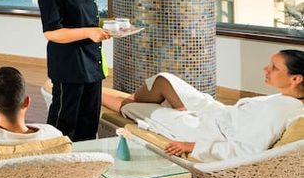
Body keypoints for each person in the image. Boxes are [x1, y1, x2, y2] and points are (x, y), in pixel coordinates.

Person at [101, 50, 304, 161]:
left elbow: (244, 151)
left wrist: (193, 146)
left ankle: (94, 92)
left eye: (274, 68)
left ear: (296, 78)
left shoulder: (281, 111)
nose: (266, 69)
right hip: (216, 113)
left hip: (203, 130)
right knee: (163, 79)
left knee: (132, 107)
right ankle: (170, 106)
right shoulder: (286, 101)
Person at [38, 0, 110, 141]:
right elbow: (51, 32)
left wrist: (107, 28)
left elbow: (85, 20)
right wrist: (89, 32)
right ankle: (56, 156)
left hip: (91, 66)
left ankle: (85, 156)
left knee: (89, 121)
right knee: (64, 123)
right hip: (69, 67)